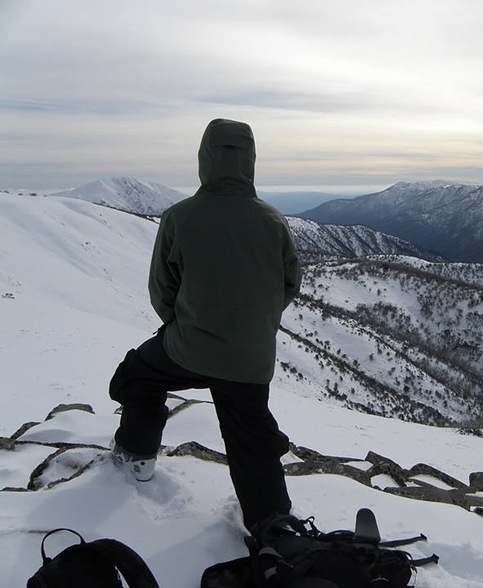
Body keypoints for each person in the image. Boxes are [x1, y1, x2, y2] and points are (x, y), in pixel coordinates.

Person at [108, 118, 301, 533]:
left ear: (205, 160)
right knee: (251, 437)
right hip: (250, 359)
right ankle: (274, 528)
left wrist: (187, 325)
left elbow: (162, 289)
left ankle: (137, 456)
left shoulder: (180, 217)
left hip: (188, 348)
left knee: (136, 376)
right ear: (250, 161)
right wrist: (253, 324)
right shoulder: (272, 221)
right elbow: (289, 284)